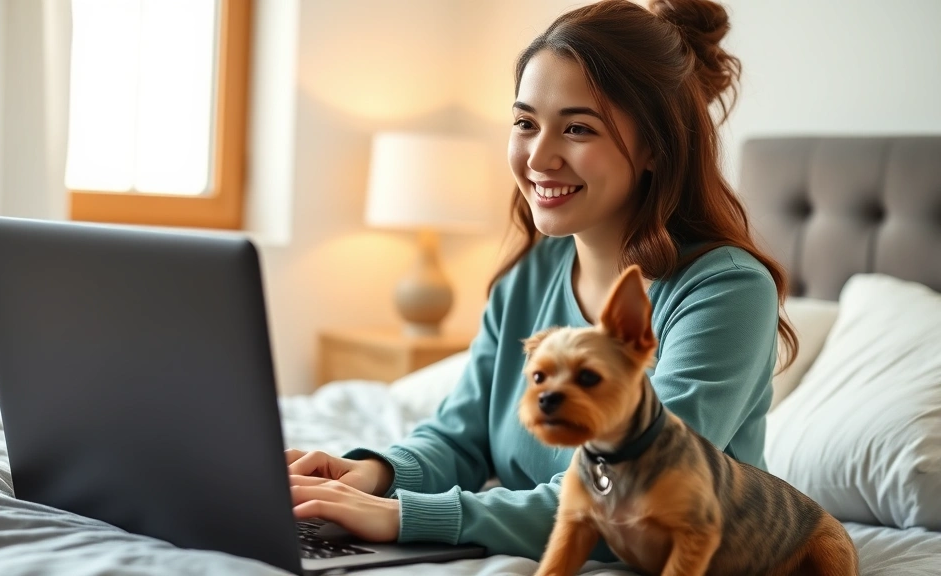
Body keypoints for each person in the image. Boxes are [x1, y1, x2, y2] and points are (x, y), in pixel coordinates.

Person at [286, 0, 798, 563]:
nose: (539, 156)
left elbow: (629, 489)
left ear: (656, 147)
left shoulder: (726, 292)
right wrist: (374, 474)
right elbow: (464, 436)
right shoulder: (532, 273)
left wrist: (408, 516)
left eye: (577, 128)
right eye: (525, 123)